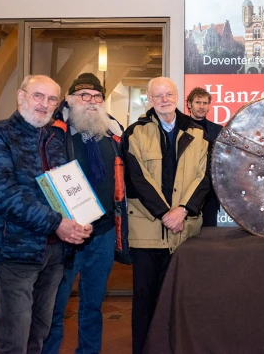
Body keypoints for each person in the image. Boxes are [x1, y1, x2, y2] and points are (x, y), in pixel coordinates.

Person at [0, 75, 92, 354]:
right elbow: (2, 193)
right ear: (21, 96)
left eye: (52, 99)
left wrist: (79, 221)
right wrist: (57, 223)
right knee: (14, 337)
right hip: (16, 250)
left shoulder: (54, 139)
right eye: (38, 95)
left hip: (53, 251)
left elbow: (63, 189)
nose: (44, 104)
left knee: (39, 332)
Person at [43, 73, 130, 354]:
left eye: (96, 97)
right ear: (70, 99)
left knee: (92, 306)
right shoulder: (52, 133)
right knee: (54, 306)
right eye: (84, 96)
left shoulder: (113, 133)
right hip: (64, 236)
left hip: (102, 234)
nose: (91, 102)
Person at [123, 76, 210, 354]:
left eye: (168, 94)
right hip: (147, 233)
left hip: (185, 232)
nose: (164, 99)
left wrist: (183, 210)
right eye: (157, 95)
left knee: (180, 301)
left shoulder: (197, 132)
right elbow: (137, 178)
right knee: (145, 301)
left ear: (176, 96)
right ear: (149, 100)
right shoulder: (135, 133)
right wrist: (164, 213)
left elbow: (204, 177)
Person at [186, 87, 223, 227]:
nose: (202, 107)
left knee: (209, 239)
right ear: (189, 104)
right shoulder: (180, 128)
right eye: (198, 102)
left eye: (205, 103)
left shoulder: (219, 130)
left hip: (210, 194)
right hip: (186, 192)